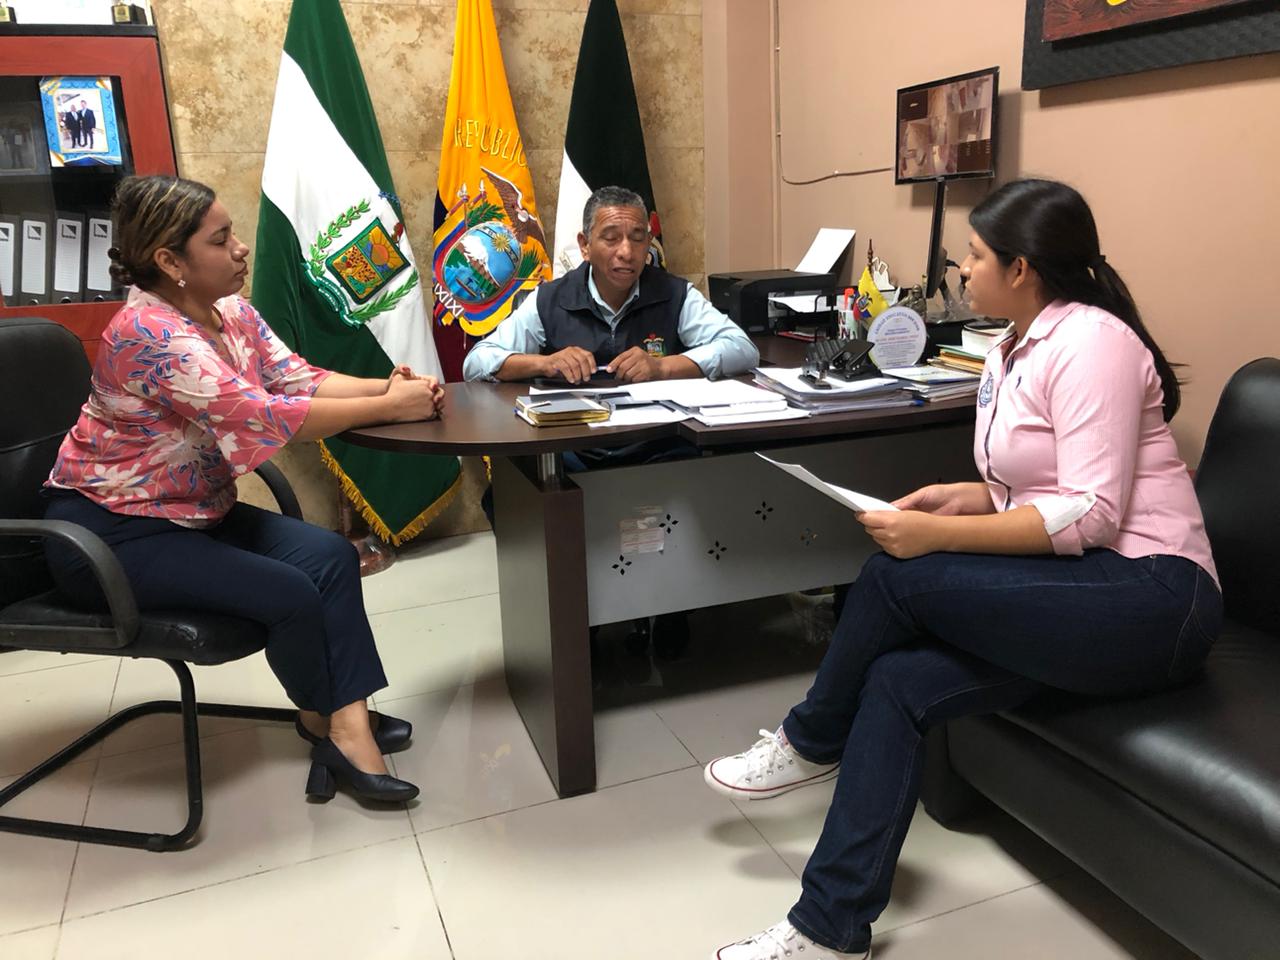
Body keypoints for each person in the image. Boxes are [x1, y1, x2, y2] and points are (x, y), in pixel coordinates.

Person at [703, 178, 1222, 960]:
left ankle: (811, 740)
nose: (963, 269)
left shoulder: (1094, 343)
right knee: (898, 682)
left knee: (895, 577)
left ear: (1022, 268)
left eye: (975, 256)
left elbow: (1090, 513)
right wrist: (968, 498)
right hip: (1085, 588)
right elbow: (1044, 485)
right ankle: (829, 929)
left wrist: (936, 536)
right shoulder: (1009, 347)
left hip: (1155, 597)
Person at [42, 175, 443, 804]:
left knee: (331, 557)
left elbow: (296, 379)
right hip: (110, 533)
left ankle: (333, 719)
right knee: (290, 591)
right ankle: (344, 732)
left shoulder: (229, 311)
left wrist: (390, 387)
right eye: (220, 239)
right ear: (170, 261)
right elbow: (264, 415)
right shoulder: (148, 334)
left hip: (194, 513)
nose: (240, 248)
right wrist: (391, 408)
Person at [462, 184, 758, 386]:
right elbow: (476, 363)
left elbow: (742, 348)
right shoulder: (551, 298)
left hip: (657, 443)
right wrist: (545, 363)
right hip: (577, 443)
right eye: (611, 238)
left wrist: (662, 367)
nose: (627, 252)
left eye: (638, 238)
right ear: (585, 245)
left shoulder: (673, 294)